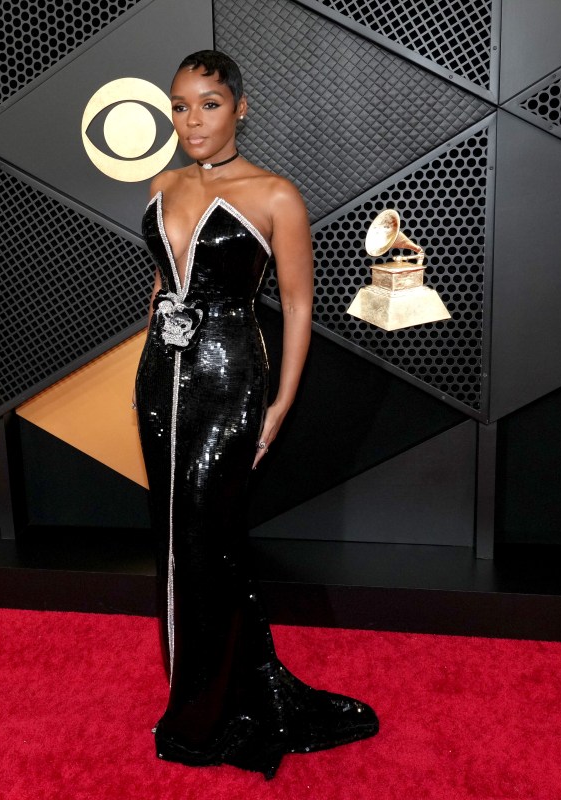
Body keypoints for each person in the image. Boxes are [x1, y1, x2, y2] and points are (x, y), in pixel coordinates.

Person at [133, 50, 379, 779]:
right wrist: (149, 362)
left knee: (211, 541)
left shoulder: (275, 195)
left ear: (241, 107)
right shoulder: (163, 182)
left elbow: (299, 304)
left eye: (208, 104)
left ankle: (210, 711)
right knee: (175, 540)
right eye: (180, 106)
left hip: (230, 380)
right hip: (160, 383)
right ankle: (196, 689)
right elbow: (159, 286)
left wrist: (278, 404)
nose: (192, 120)